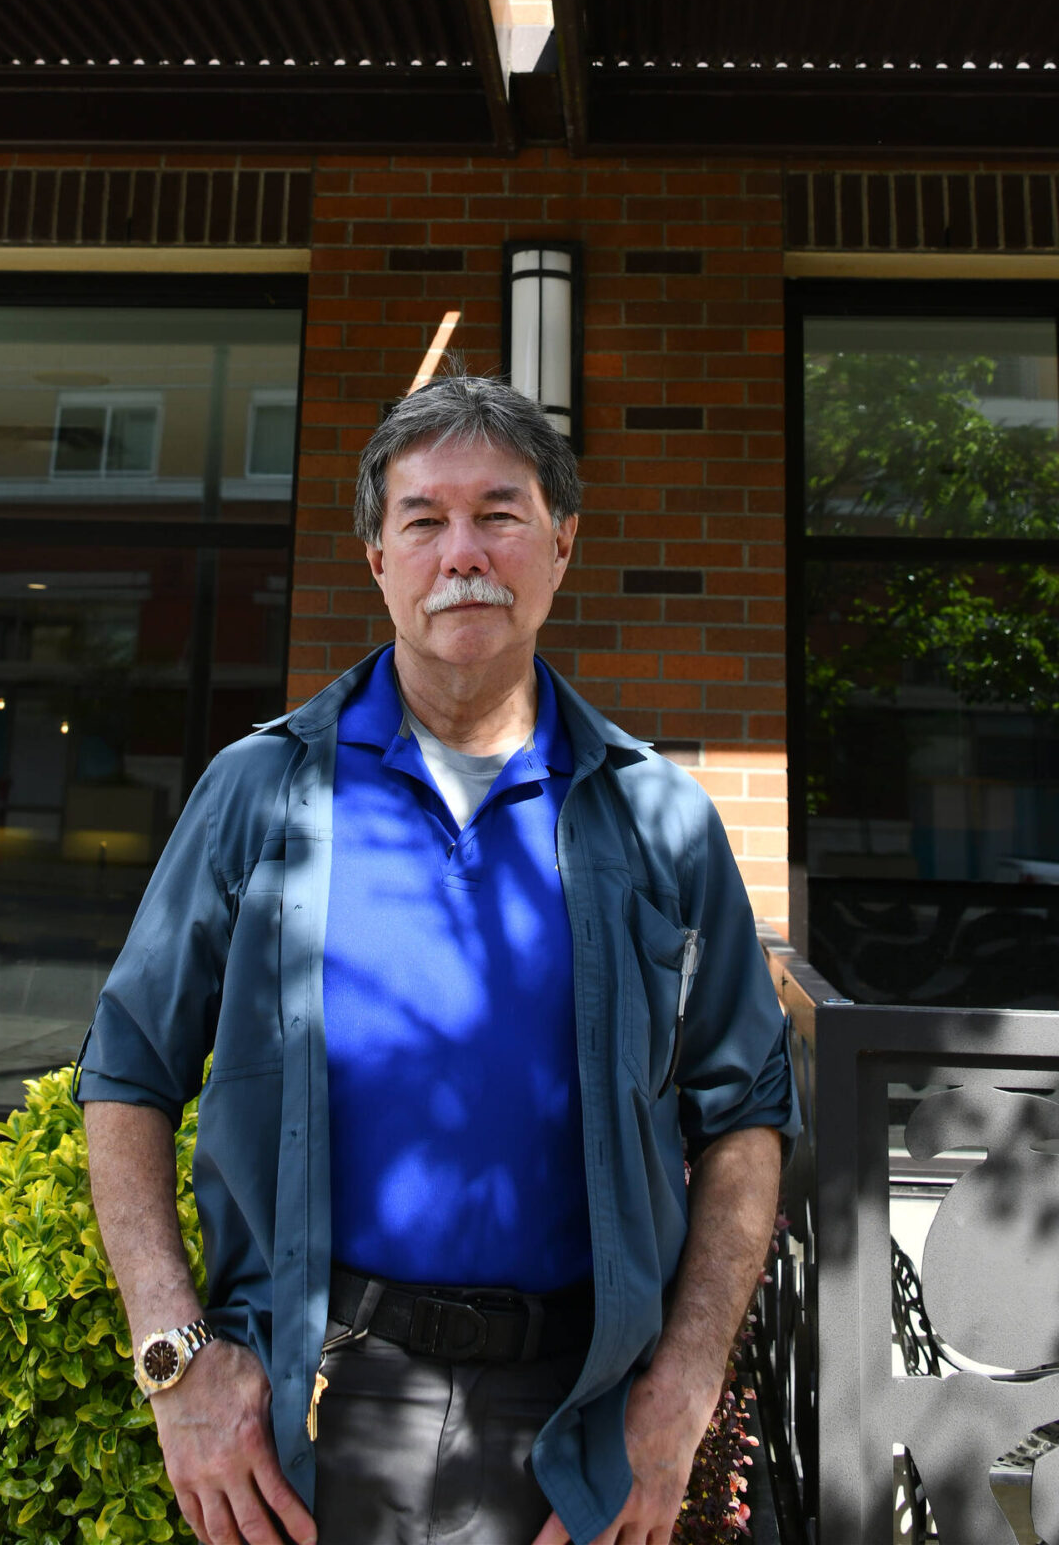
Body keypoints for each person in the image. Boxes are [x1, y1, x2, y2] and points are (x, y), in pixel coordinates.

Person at [79, 371, 796, 1545]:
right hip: (321, 1408)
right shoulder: (260, 792)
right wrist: (178, 1361)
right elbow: (128, 1071)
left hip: (578, 1417)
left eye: (500, 513)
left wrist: (680, 1393)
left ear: (561, 544)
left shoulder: (658, 818)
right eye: (424, 519)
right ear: (378, 558)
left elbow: (747, 1113)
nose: (463, 550)